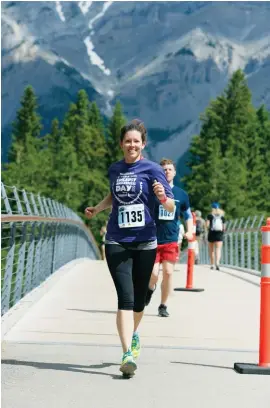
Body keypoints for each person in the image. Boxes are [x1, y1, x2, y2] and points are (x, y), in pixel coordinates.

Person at [85, 119, 175, 377]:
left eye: (136, 141)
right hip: (116, 240)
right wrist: (97, 208)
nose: (132, 145)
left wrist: (161, 197)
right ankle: (126, 353)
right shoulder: (115, 169)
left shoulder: (153, 170)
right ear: (122, 144)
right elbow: (114, 195)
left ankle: (134, 334)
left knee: (138, 299)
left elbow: (170, 206)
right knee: (124, 297)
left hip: (146, 241)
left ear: (143, 144)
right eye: (128, 141)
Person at [145, 158, 193, 317]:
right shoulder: (152, 191)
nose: (167, 172)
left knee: (168, 272)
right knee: (153, 274)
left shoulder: (181, 194)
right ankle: (150, 289)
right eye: (163, 169)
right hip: (152, 239)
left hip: (171, 239)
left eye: (169, 169)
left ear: (174, 172)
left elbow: (187, 215)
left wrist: (189, 231)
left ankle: (163, 305)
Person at [206, 202, 226, 270]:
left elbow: (207, 225)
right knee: (218, 249)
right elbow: (224, 227)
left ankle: (212, 264)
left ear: (212, 208)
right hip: (219, 233)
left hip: (211, 233)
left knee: (211, 250)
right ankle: (217, 263)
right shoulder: (222, 216)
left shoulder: (210, 215)